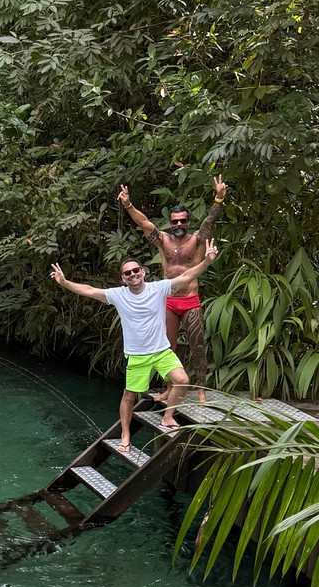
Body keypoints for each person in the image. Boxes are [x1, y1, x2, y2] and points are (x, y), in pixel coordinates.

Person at [50, 241, 218, 453]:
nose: (132, 275)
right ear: (123, 278)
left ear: (143, 272)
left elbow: (186, 277)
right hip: (137, 356)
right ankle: (125, 435)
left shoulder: (159, 289)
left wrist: (207, 261)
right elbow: (89, 290)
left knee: (182, 380)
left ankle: (167, 418)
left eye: (135, 270)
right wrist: (65, 283)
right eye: (127, 273)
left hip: (161, 351)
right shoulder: (118, 295)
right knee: (129, 396)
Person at [117, 176, 227, 402]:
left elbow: (210, 220)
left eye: (183, 221)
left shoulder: (197, 240)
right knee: (168, 348)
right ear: (169, 223)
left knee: (197, 346)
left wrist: (219, 198)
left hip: (190, 299)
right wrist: (127, 204)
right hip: (167, 301)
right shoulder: (163, 240)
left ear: (188, 222)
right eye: (175, 221)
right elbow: (144, 222)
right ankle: (169, 388)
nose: (179, 225)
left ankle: (200, 390)